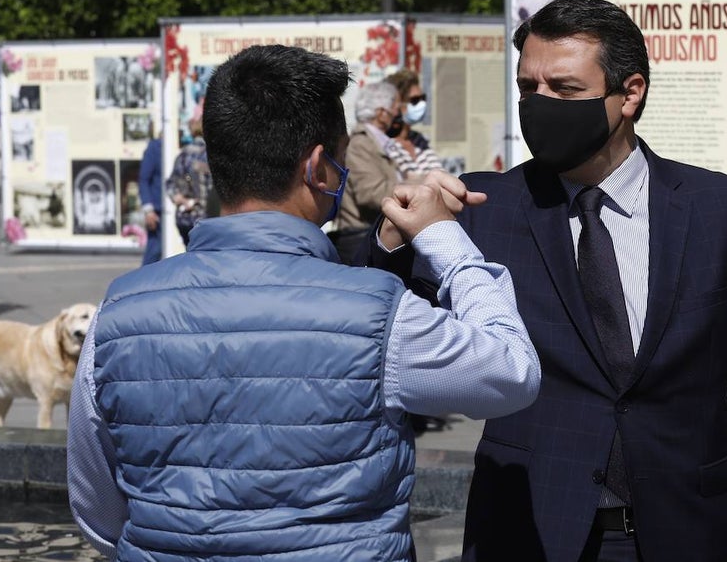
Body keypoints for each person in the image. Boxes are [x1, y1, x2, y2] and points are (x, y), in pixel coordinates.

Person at [367, 0, 727, 561]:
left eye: (565, 89)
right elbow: (376, 332)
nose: (540, 104)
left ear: (630, 93)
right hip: (532, 534)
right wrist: (394, 242)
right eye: (528, 88)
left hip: (697, 533)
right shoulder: (481, 209)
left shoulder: (721, 211)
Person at [66, 44, 540, 561]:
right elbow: (511, 372)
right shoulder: (380, 316)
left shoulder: (117, 311)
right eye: (341, 159)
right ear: (318, 168)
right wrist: (445, 239)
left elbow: (98, 510)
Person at [331, 81, 404, 263]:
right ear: (382, 113)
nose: (398, 113)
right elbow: (371, 194)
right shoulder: (361, 144)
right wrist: (414, 187)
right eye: (396, 107)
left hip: (372, 235)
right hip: (360, 239)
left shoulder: (378, 141)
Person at [164, 113, 212, 247]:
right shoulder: (210, 155)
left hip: (184, 218)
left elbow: (170, 184)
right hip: (206, 219)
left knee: (190, 251)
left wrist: (183, 200)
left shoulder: (183, 155)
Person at [385, 67, 445, 175]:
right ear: (397, 103)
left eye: (423, 98)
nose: (422, 104)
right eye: (415, 100)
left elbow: (441, 174)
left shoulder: (419, 139)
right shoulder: (384, 144)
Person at [136, 131, 163, 265]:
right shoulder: (155, 148)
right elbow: (144, 179)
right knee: (155, 250)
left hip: (181, 211)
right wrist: (148, 209)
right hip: (158, 212)